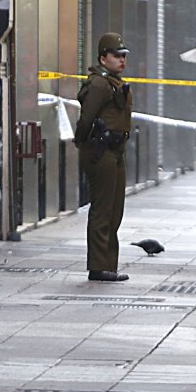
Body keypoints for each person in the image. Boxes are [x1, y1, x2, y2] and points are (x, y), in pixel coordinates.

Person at [73, 32, 132, 282]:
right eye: (116, 56)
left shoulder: (113, 82)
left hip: (115, 151)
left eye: (123, 56)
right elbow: (86, 119)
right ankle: (98, 266)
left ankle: (109, 265)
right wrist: (83, 142)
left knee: (115, 210)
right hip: (101, 151)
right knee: (103, 209)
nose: (121, 60)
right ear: (102, 58)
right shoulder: (99, 84)